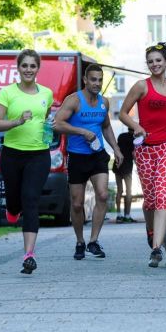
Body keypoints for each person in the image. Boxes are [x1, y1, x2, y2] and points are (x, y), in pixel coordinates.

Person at [118, 42, 166, 267]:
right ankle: (152, 233)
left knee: (162, 195)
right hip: (145, 149)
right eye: (150, 61)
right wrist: (136, 126)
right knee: (150, 200)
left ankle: (157, 248)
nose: (154, 64)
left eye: (158, 60)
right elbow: (122, 113)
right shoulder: (141, 86)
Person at [0, 49, 53, 274]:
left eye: (32, 66)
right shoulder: (7, 93)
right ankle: (11, 208)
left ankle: (29, 254)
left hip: (39, 155)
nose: (28, 70)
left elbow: (45, 119)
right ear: (18, 68)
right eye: (24, 66)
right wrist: (16, 121)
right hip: (12, 154)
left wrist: (48, 130)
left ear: (38, 69)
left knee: (31, 199)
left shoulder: (47, 93)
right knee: (15, 201)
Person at [54, 64, 123, 261]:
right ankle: (79, 241)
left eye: (100, 80)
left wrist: (116, 149)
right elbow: (57, 124)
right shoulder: (74, 100)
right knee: (77, 204)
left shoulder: (104, 103)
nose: (97, 83)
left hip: (98, 155)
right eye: (93, 79)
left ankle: (93, 241)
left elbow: (107, 126)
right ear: (85, 80)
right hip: (77, 157)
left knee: (102, 195)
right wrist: (82, 132)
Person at [113, 130, 136, 223]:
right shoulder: (135, 139)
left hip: (118, 165)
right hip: (127, 167)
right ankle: (127, 215)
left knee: (119, 190)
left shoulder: (121, 135)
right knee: (129, 191)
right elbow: (134, 154)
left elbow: (116, 149)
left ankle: (118, 215)